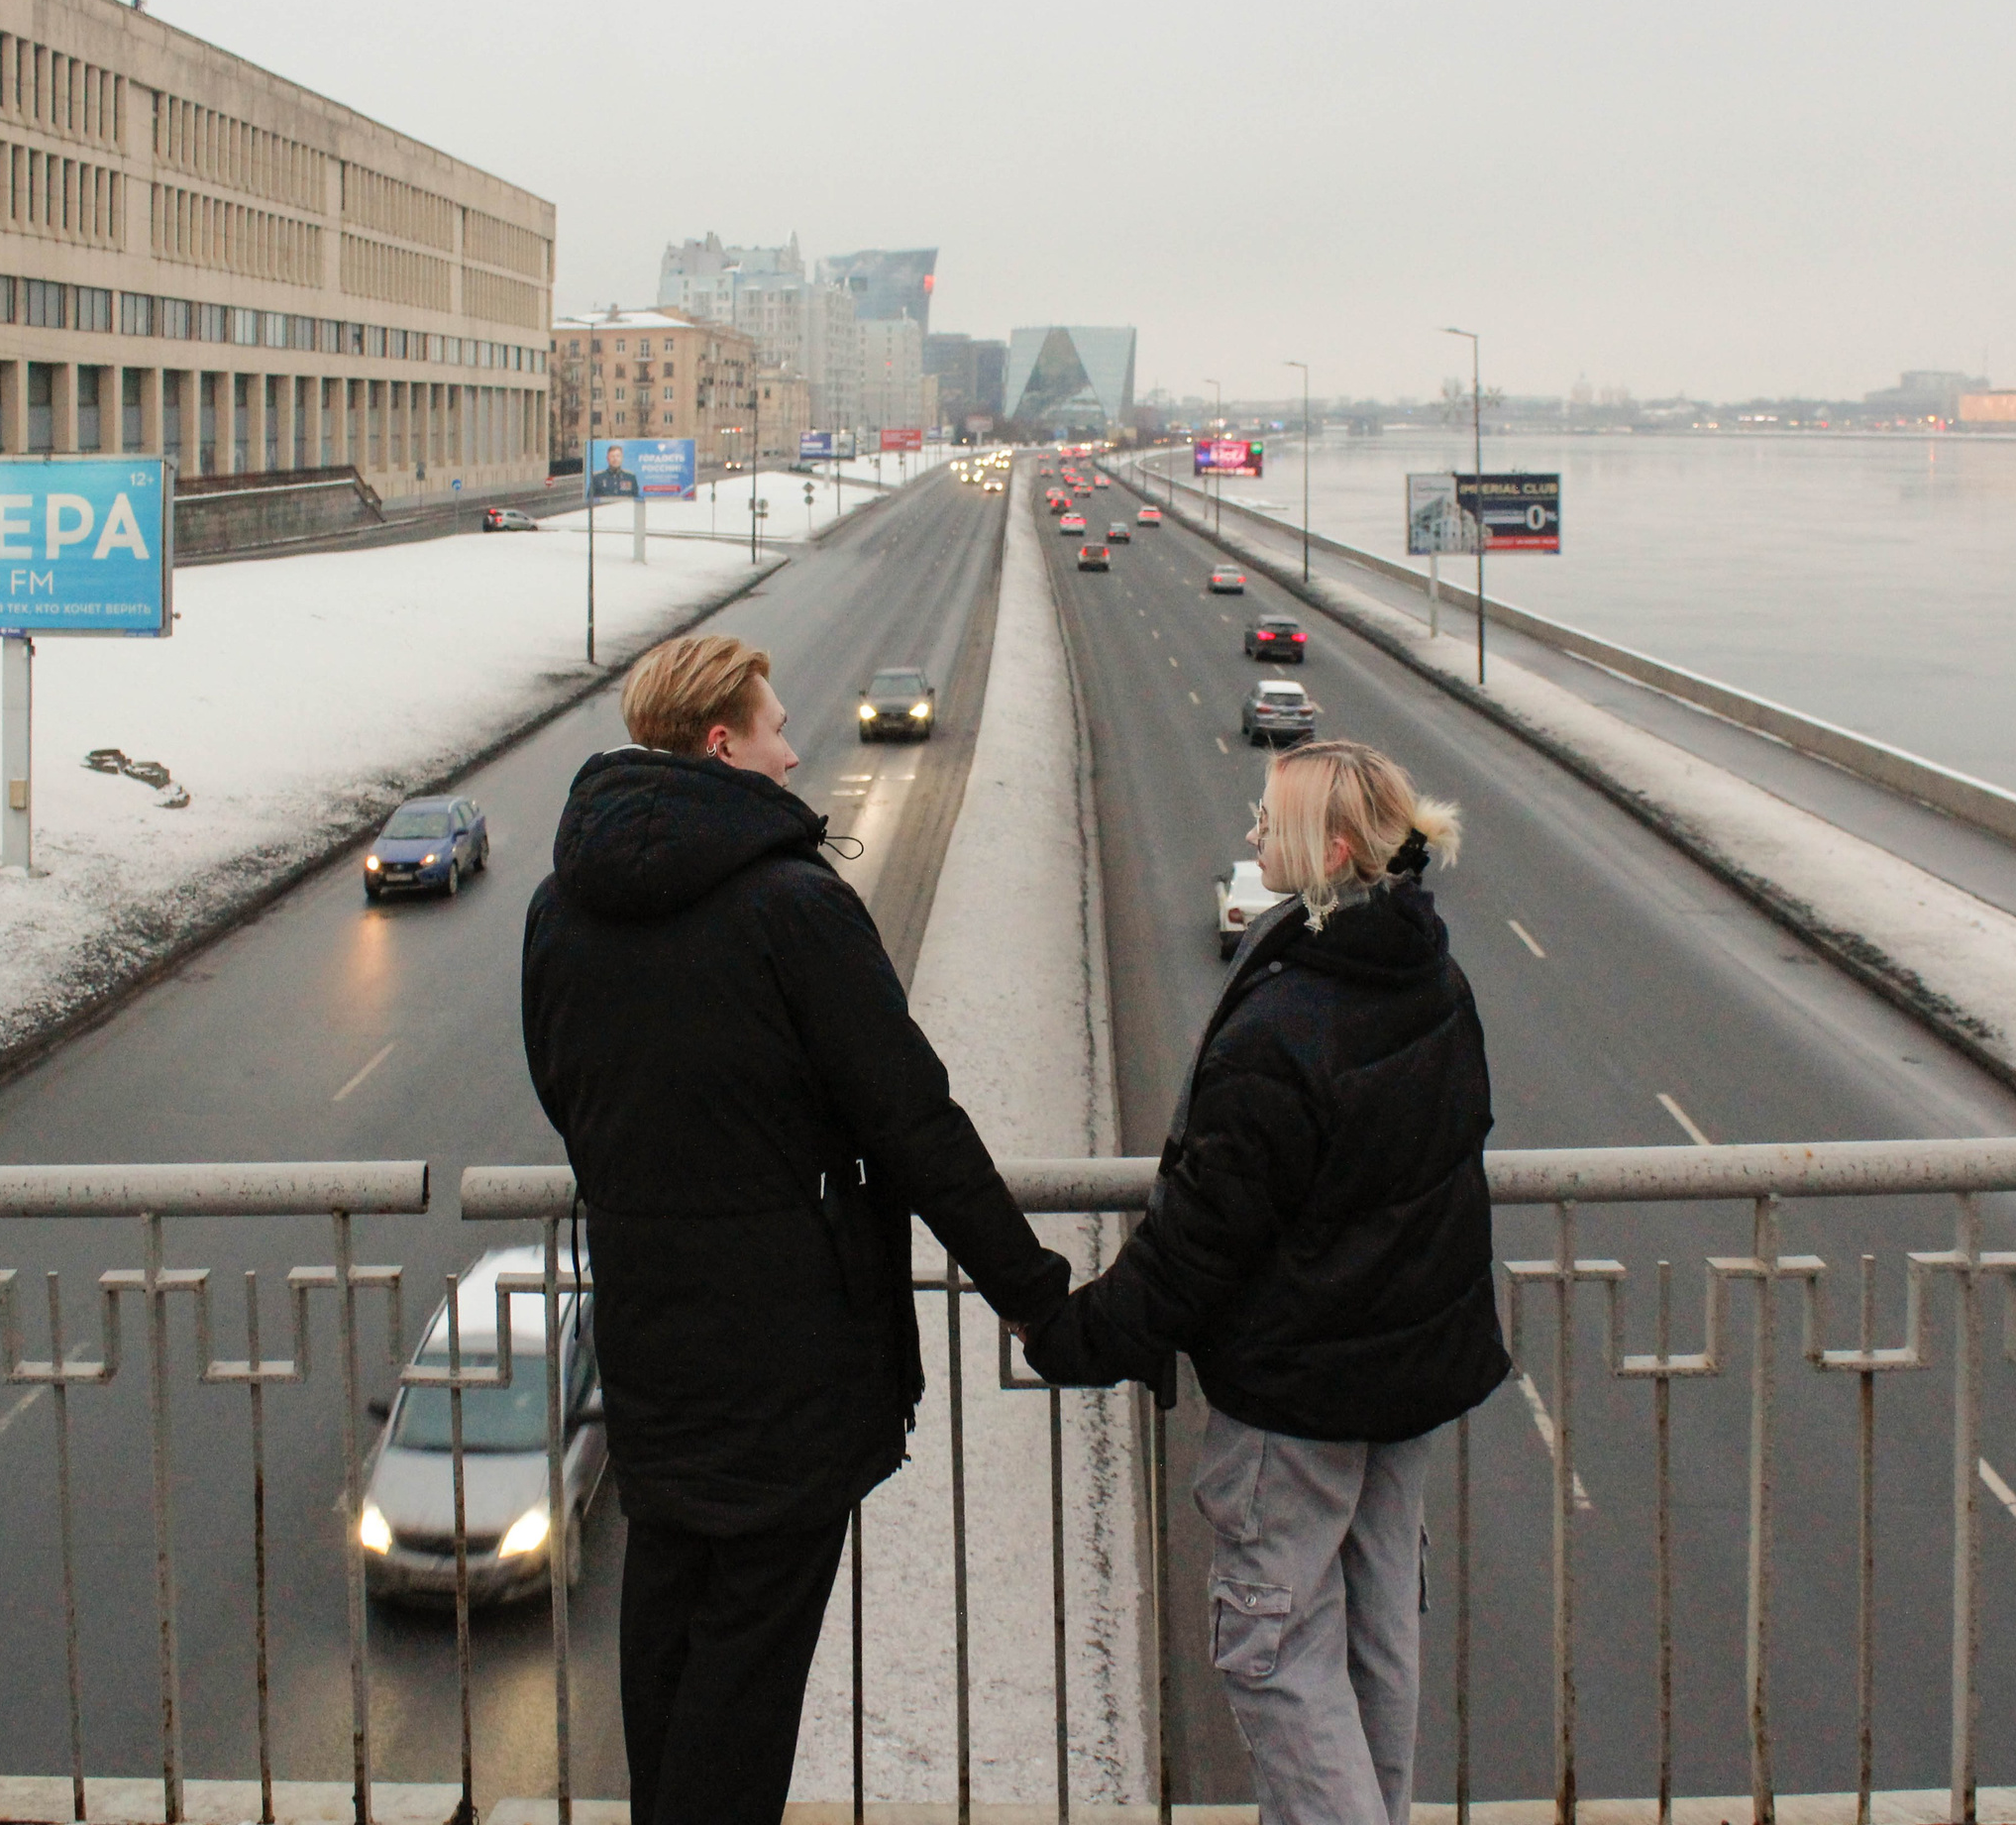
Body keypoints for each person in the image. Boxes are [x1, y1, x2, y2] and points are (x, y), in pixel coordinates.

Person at [521, 633, 1069, 1825]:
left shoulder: (559, 906)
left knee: (665, 1622)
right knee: (749, 1674)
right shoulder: (793, 905)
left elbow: (567, 1094)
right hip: (786, 1353)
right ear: (722, 746)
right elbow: (914, 1121)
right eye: (775, 727)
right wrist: (1032, 1291)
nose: (795, 747)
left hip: (649, 1333)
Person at [1026, 738, 1506, 1825]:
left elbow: (1201, 1239)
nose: (1249, 836)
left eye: (1269, 823)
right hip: (1406, 1372)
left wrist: (1081, 1332)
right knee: (1376, 1631)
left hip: (1299, 1394)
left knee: (1271, 1649)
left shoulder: (1291, 1023)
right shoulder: (1426, 970)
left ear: (1330, 849)